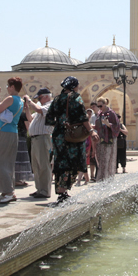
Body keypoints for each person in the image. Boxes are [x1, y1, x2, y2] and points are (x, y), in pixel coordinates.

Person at [46, 76, 95, 205]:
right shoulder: (76, 97)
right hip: (72, 137)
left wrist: (60, 125)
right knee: (74, 162)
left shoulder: (56, 99)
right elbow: (83, 117)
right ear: (74, 86)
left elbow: (49, 119)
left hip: (58, 136)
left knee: (60, 163)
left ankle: (61, 192)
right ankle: (65, 190)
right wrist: (91, 131)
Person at [0, 78, 24, 203]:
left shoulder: (10, 99)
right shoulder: (19, 100)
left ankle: (9, 192)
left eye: (8, 86)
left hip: (6, 133)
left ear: (13, 87)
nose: (7, 88)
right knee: (7, 163)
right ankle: (6, 191)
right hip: (12, 133)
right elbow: (2, 109)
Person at [24, 87, 53, 199]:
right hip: (36, 139)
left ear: (46, 96)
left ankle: (45, 190)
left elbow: (38, 110)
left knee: (43, 165)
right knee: (36, 166)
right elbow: (31, 119)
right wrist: (27, 108)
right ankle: (39, 189)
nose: (38, 100)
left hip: (42, 138)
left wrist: (29, 101)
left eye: (39, 98)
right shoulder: (41, 107)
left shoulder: (50, 105)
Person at [94, 97, 120, 181]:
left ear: (105, 104)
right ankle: (101, 178)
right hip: (100, 139)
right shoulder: (99, 114)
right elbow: (98, 126)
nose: (99, 108)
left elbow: (117, 127)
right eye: (98, 106)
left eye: (101, 106)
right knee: (100, 159)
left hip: (109, 140)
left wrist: (108, 124)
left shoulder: (111, 113)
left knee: (107, 159)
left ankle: (108, 178)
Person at [14, 108, 34, 188]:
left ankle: (16, 178)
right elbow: (28, 127)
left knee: (16, 159)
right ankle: (18, 179)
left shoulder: (13, 114)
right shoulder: (23, 115)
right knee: (21, 159)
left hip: (14, 136)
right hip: (21, 137)